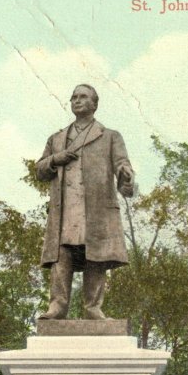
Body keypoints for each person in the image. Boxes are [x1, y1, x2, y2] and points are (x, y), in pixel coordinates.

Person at [37, 84, 135, 320]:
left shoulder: (110, 136)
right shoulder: (57, 138)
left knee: (96, 256)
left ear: (94, 104)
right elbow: (40, 170)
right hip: (66, 210)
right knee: (62, 255)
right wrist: (55, 159)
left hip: (96, 210)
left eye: (83, 97)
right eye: (73, 97)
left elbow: (123, 165)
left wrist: (126, 177)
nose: (76, 101)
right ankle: (57, 307)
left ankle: (93, 308)